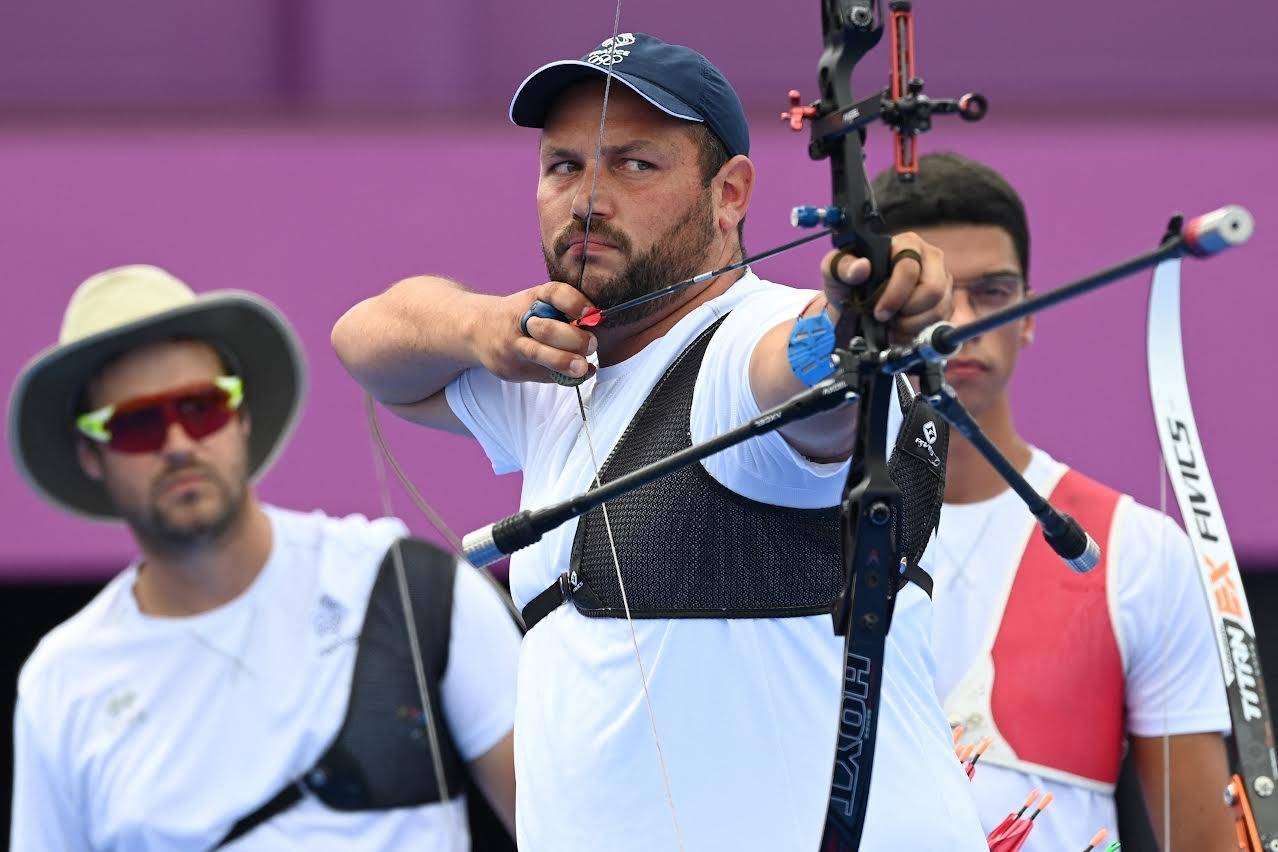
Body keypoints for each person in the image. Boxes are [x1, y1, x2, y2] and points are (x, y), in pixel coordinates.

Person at [333, 33, 986, 850]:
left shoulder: (740, 346)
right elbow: (365, 336)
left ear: (730, 194)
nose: (587, 199)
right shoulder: (555, 368)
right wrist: (480, 326)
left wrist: (859, 313)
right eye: (563, 166)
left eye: (634, 165)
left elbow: (802, 378)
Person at [8, 265, 521, 850]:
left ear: (241, 415)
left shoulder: (411, 587)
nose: (178, 445)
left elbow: (564, 825)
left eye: (200, 407)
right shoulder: (62, 680)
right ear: (91, 455)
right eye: (137, 424)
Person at [871, 152, 1235, 850]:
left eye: (996, 292)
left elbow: (1205, 843)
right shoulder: (786, 524)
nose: (963, 321)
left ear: (1031, 314)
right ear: (876, 315)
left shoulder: (1138, 551)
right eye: (935, 297)